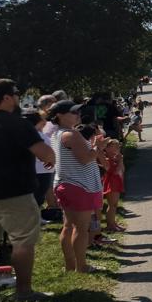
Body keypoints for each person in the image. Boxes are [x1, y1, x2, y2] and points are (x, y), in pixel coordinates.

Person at [0, 80, 58, 301]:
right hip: (14, 191)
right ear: (6, 98)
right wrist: (49, 159)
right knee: (22, 241)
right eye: (16, 94)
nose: (18, 98)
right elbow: (45, 153)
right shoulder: (15, 123)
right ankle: (23, 291)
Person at [49, 105, 104, 274]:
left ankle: (70, 265)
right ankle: (82, 266)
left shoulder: (57, 133)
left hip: (65, 184)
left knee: (68, 226)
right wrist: (98, 147)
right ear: (60, 115)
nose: (78, 114)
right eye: (73, 112)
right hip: (80, 185)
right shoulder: (72, 134)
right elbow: (86, 159)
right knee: (81, 227)